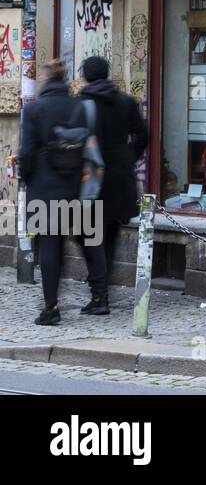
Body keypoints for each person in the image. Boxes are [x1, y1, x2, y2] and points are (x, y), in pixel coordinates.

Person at [18, 59, 108, 324]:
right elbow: (93, 144)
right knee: (90, 242)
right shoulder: (81, 105)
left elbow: (27, 153)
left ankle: (51, 308)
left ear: (45, 80)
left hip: (45, 189)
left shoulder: (34, 110)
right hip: (78, 187)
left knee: (50, 246)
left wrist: (29, 179)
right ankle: (101, 297)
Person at [80, 56, 146, 292]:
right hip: (119, 177)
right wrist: (128, 157)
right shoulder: (126, 102)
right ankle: (102, 285)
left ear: (85, 76)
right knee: (109, 232)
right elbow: (143, 135)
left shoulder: (81, 104)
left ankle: (99, 290)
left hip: (90, 178)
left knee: (86, 234)